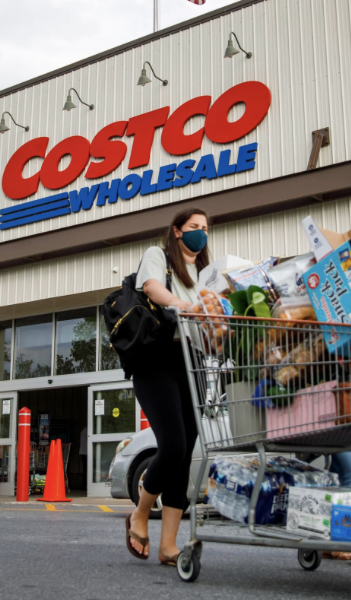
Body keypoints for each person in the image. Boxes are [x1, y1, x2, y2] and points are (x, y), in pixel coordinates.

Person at [126, 208, 208, 565]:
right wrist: (177, 302)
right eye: (193, 227)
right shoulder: (157, 256)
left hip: (193, 364)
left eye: (205, 228)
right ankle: (141, 512)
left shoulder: (205, 273)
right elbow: (152, 287)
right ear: (177, 231)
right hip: (157, 360)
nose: (200, 234)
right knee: (172, 447)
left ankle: (168, 545)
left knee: (185, 455)